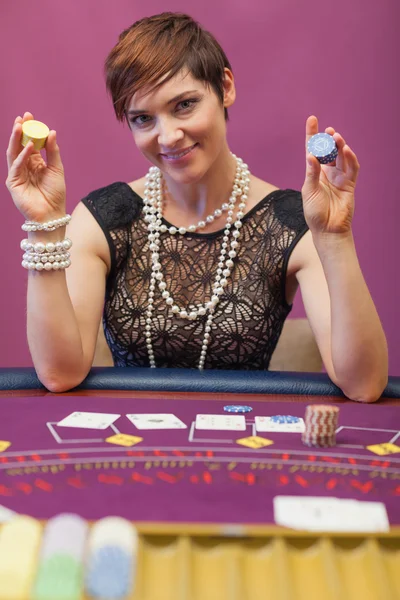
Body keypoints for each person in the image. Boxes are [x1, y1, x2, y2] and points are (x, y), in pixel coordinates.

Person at [6, 12, 388, 400]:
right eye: (143, 118)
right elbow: (59, 374)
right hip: (127, 443)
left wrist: (335, 236)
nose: (168, 136)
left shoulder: (293, 222)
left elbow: (365, 384)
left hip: (245, 444)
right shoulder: (106, 218)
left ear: (225, 87)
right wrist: (45, 226)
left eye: (185, 105)